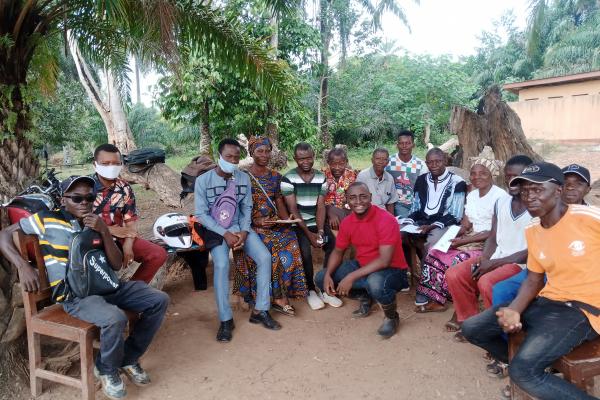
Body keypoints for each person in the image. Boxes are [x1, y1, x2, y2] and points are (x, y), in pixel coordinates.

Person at [0, 176, 169, 400]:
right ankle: (107, 369)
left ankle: (127, 357)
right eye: (77, 198)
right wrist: (22, 266)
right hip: (74, 295)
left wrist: (104, 231)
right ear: (63, 199)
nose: (84, 203)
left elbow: (117, 264)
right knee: (114, 318)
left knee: (159, 300)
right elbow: (4, 234)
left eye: (89, 197)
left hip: (106, 285)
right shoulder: (46, 219)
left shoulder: (95, 222)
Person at [461, 162, 600, 400]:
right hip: (548, 302)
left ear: (558, 191)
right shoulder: (533, 229)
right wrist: (515, 309)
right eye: (525, 191)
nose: (529, 197)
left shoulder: (588, 218)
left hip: (585, 310)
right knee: (473, 329)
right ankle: (538, 365)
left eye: (537, 190)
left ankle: (532, 369)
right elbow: (534, 278)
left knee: (523, 372)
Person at [195, 138, 281, 342]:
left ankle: (260, 310)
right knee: (222, 264)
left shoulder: (242, 178)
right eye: (228, 157)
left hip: (240, 228)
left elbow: (247, 208)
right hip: (216, 230)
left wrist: (243, 232)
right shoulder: (203, 181)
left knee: (264, 257)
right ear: (219, 156)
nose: (232, 160)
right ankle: (225, 320)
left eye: (236, 157)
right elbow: (201, 214)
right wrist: (225, 233)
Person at [445, 155, 533, 340]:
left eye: (518, 176)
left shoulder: (537, 206)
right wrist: (485, 259)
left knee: (487, 282)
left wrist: (493, 264)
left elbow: (531, 252)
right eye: (509, 176)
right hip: (497, 257)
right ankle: (471, 322)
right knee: (455, 274)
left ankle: (497, 334)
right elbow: (493, 236)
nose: (512, 181)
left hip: (521, 263)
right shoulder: (502, 203)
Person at [315, 182, 409, 338]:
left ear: (370, 197)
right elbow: (338, 252)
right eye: (352, 198)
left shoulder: (386, 219)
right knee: (321, 278)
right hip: (363, 266)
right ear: (347, 200)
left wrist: (351, 276)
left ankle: (391, 317)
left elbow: (384, 260)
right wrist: (327, 275)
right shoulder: (348, 222)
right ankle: (365, 295)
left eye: (363, 196)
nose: (358, 202)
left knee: (375, 283)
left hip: (393, 270)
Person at [491, 163, 592, 308]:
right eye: (567, 182)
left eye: (579, 183)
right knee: (502, 290)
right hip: (542, 269)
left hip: (575, 273)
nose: (570, 187)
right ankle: (506, 327)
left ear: (588, 189)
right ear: (559, 187)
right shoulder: (543, 212)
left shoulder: (591, 218)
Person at [414, 156, 507, 313]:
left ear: (492, 174)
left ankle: (462, 305)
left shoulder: (500, 197)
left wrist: (464, 241)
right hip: (469, 239)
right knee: (434, 252)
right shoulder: (472, 195)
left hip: (490, 244)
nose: (477, 177)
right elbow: (465, 225)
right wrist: (450, 238)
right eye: (473, 173)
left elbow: (495, 232)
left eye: (482, 173)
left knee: (458, 260)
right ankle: (438, 300)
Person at [233, 137, 307, 317]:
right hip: (250, 226)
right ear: (251, 153)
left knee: (291, 240)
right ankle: (275, 298)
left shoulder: (275, 176)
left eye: (267, 151)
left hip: (273, 223)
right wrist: (255, 222)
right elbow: (237, 207)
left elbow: (279, 202)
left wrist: (285, 220)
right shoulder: (242, 177)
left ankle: (281, 294)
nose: (265, 155)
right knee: (271, 246)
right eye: (260, 151)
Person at [92, 144, 168, 284]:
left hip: (120, 238)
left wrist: (127, 245)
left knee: (158, 254)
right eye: (105, 163)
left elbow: (131, 224)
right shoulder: (85, 188)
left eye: (116, 163)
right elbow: (78, 223)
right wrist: (109, 229)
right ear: (95, 164)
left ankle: (133, 289)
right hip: (92, 240)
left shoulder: (124, 188)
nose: (111, 167)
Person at [281, 143, 340, 310]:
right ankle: (311, 290)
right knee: (305, 250)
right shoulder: (288, 178)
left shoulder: (321, 177)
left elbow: (321, 206)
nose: (305, 161)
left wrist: (320, 231)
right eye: (301, 159)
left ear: (313, 157)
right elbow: (293, 209)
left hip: (317, 222)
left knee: (334, 245)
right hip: (299, 225)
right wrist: (309, 235)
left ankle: (325, 284)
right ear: (295, 159)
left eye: (308, 158)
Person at [399, 148, 467, 253]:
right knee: (398, 234)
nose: (434, 165)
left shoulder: (457, 182)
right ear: (426, 163)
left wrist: (431, 226)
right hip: (422, 221)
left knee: (432, 243)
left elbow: (456, 215)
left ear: (445, 161)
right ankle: (408, 268)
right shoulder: (421, 179)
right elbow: (415, 207)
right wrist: (410, 222)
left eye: (438, 161)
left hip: (444, 223)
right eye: (430, 162)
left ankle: (427, 269)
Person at [386, 129, 428, 218]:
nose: (404, 146)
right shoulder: (389, 162)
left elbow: (423, 188)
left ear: (413, 145)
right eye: (401, 143)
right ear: (397, 145)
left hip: (415, 203)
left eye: (408, 143)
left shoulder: (420, 165)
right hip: (396, 203)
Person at [323, 147, 358, 232]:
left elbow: (354, 197)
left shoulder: (352, 176)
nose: (337, 167)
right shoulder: (322, 176)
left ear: (346, 162)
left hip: (346, 211)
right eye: (333, 164)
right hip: (326, 212)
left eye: (341, 164)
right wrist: (330, 212)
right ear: (328, 163)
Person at [357, 148, 399, 214]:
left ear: (387, 162)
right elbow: (358, 201)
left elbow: (390, 203)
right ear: (372, 160)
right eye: (377, 159)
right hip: (366, 213)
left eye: (384, 159)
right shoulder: (363, 176)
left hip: (383, 215)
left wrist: (391, 219)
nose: (381, 162)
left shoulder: (389, 178)